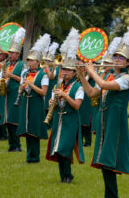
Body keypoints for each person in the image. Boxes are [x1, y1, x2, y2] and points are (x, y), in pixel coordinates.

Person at [79, 24, 129, 198]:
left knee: (108, 159)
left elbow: (105, 86)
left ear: (128, 62)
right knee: (104, 160)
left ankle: (112, 195)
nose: (117, 60)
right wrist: (81, 75)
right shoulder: (108, 75)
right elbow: (92, 93)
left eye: (121, 58)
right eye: (115, 56)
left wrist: (92, 72)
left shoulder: (128, 78)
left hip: (116, 121)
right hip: (104, 120)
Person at [46, 55, 85, 183]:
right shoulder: (58, 85)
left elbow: (77, 106)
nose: (65, 72)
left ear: (74, 73)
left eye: (68, 70)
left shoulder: (78, 87)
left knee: (64, 148)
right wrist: (52, 102)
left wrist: (65, 96)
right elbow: (54, 103)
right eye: (63, 69)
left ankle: (68, 175)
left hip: (70, 121)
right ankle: (64, 176)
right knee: (57, 148)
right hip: (58, 120)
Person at [16, 37, 49, 164]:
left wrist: (30, 85)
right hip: (26, 103)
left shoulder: (43, 75)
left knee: (34, 131)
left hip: (36, 104)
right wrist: (22, 88)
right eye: (28, 60)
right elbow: (24, 88)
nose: (29, 62)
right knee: (27, 130)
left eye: (31, 60)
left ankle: (35, 157)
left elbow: (43, 92)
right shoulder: (25, 74)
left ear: (37, 62)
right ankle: (29, 156)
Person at [0, 29, 26, 152]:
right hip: (6, 94)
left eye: (13, 53)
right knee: (7, 121)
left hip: (16, 94)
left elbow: (24, 79)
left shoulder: (22, 65)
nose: (10, 55)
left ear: (18, 54)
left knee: (13, 121)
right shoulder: (7, 63)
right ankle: (11, 145)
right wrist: (2, 81)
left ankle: (17, 145)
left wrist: (11, 76)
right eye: (10, 52)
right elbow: (2, 76)